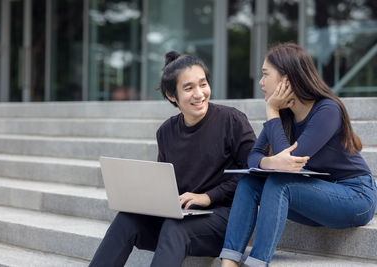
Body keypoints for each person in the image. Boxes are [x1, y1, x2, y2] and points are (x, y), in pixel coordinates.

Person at [89, 51, 256, 267]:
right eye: (188, 88)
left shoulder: (231, 120)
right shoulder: (166, 132)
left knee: (175, 226)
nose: (199, 94)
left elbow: (253, 174)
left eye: (203, 84)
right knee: (127, 219)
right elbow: (165, 184)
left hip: (225, 219)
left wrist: (209, 196)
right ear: (171, 95)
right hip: (184, 216)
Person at [220, 42, 377, 267]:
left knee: (278, 183)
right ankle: (229, 261)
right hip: (316, 194)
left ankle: (256, 263)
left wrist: (272, 111)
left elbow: (292, 162)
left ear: (287, 79)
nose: (261, 83)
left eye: (265, 75)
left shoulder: (327, 109)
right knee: (249, 182)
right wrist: (269, 161)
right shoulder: (285, 115)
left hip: (355, 196)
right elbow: (253, 156)